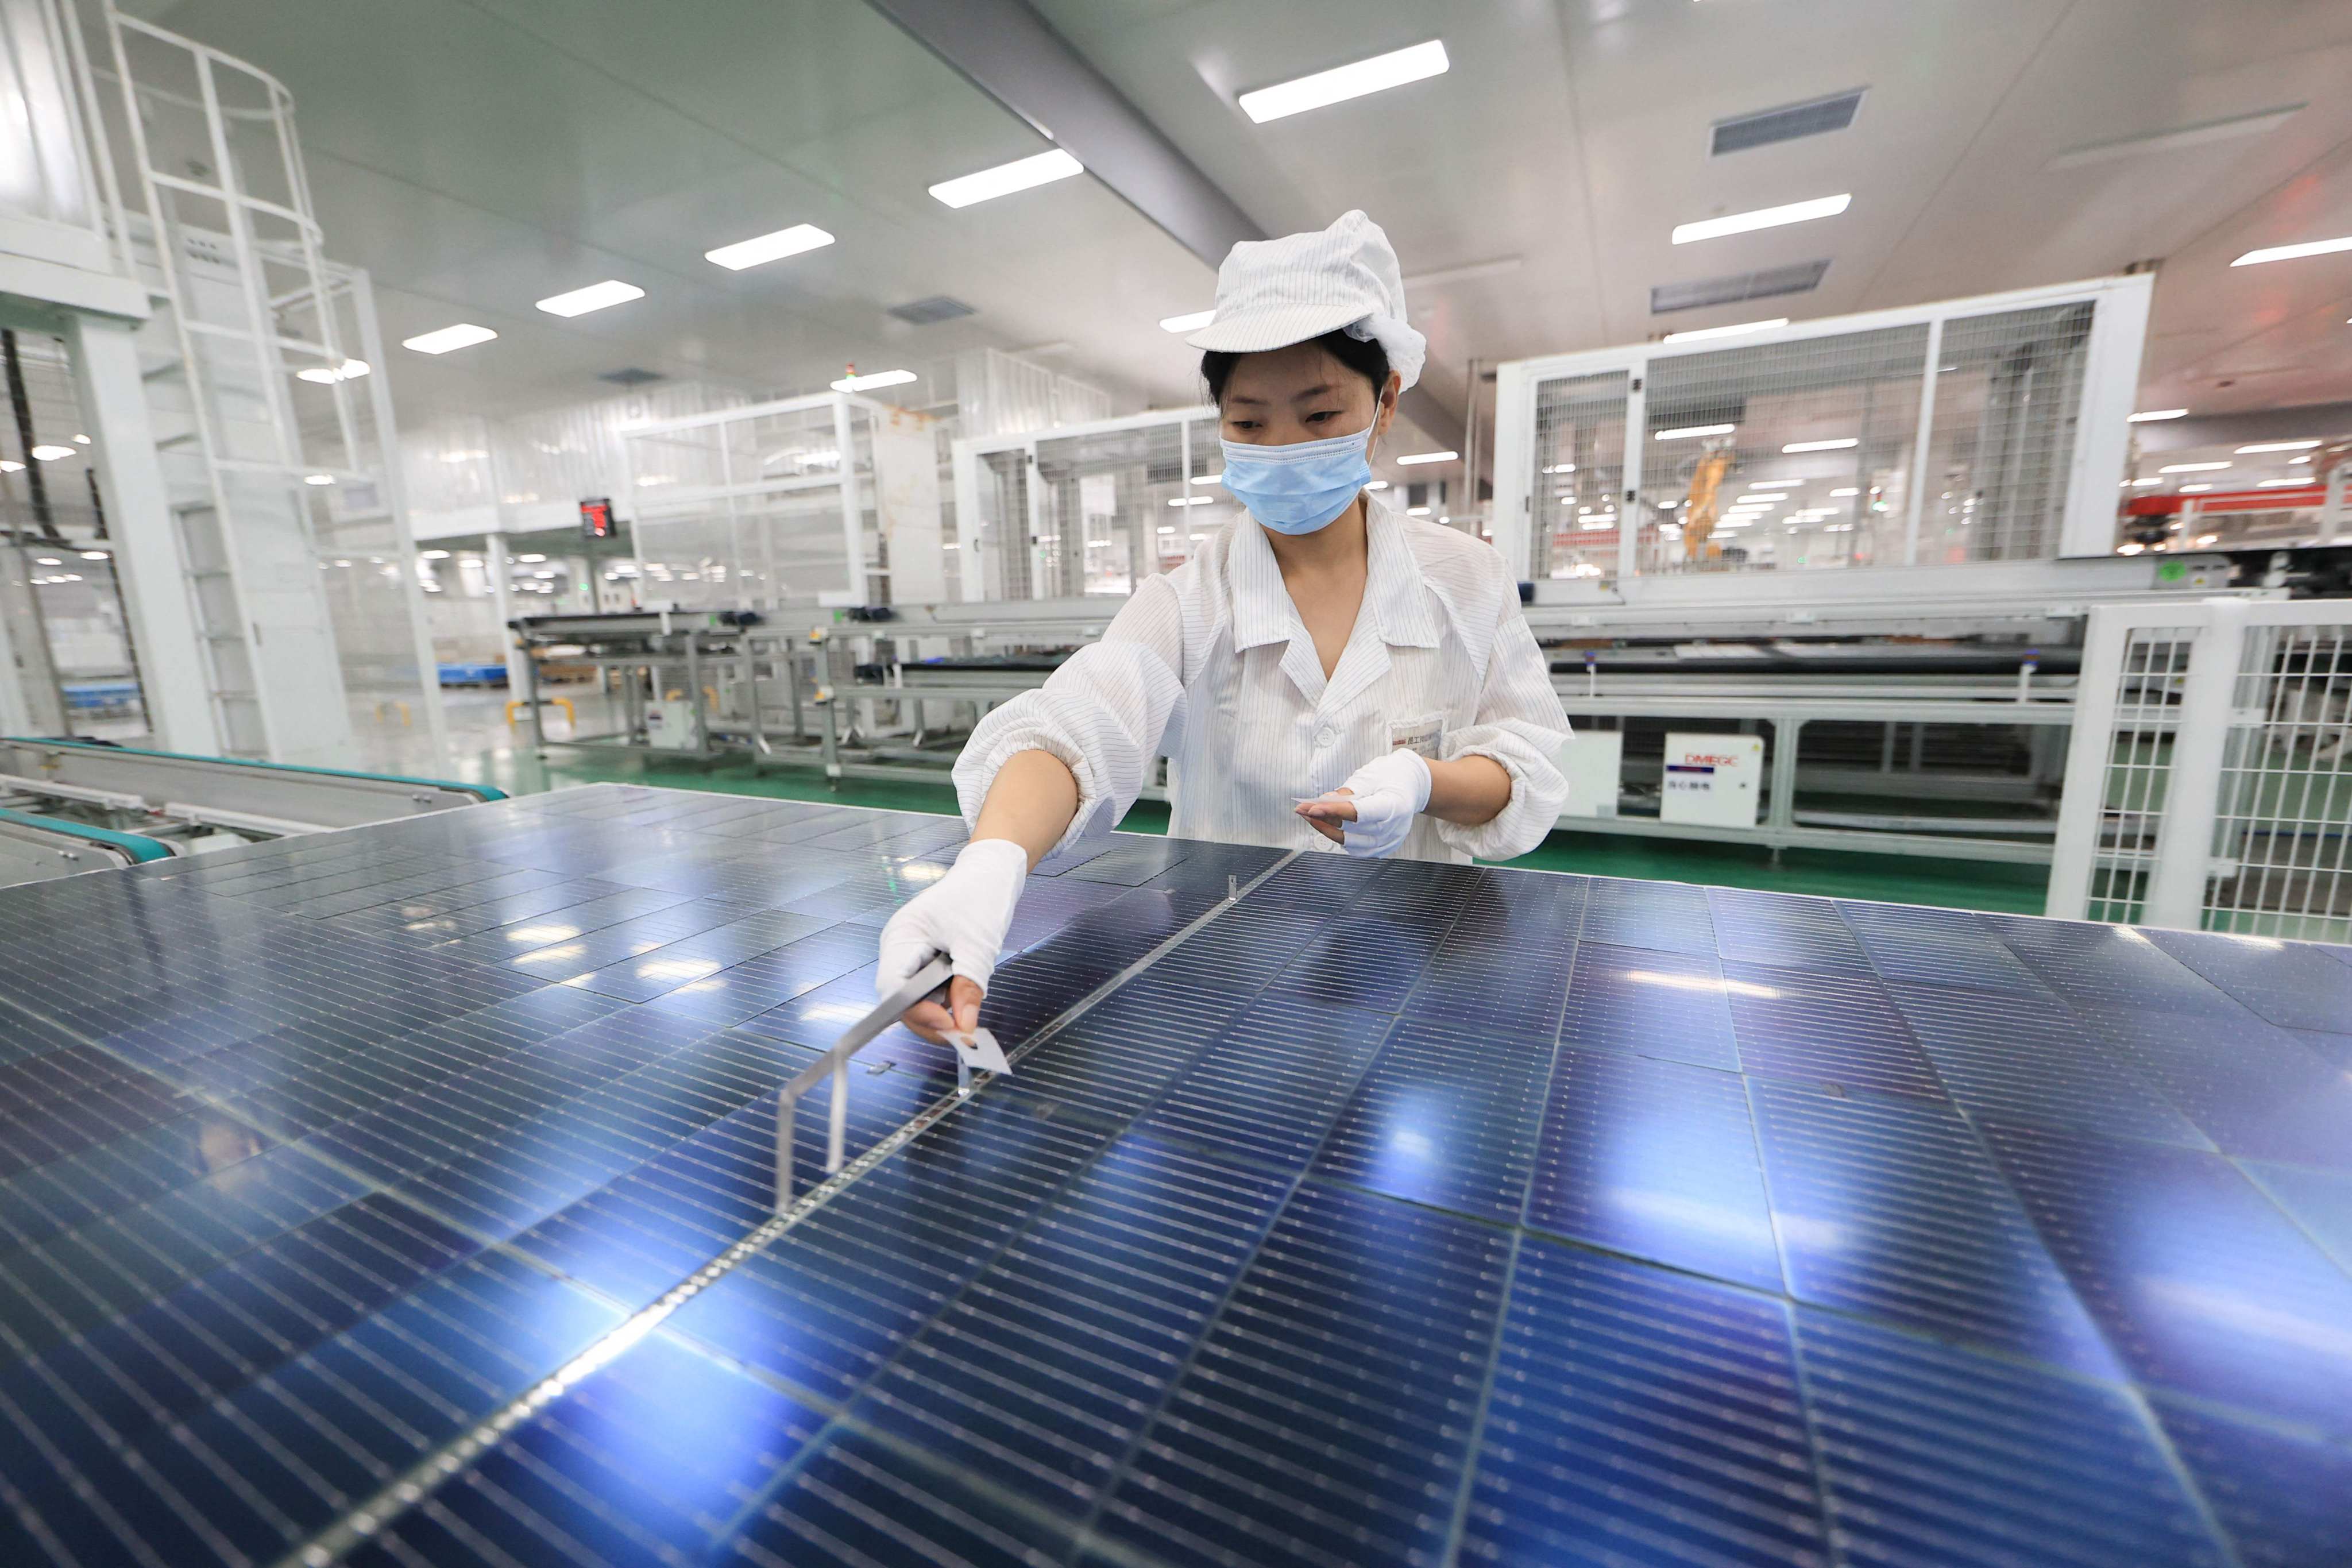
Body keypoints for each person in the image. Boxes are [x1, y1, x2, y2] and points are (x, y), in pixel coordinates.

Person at [878, 211, 1572, 1041]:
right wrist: (989, 866)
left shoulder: (1468, 579)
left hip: (1413, 964)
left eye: (1318, 417)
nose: (1282, 445)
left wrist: (1427, 782)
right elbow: (1080, 723)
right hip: (1225, 977)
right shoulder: (1190, 595)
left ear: (1386, 402)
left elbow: (1519, 764)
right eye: (1249, 422)